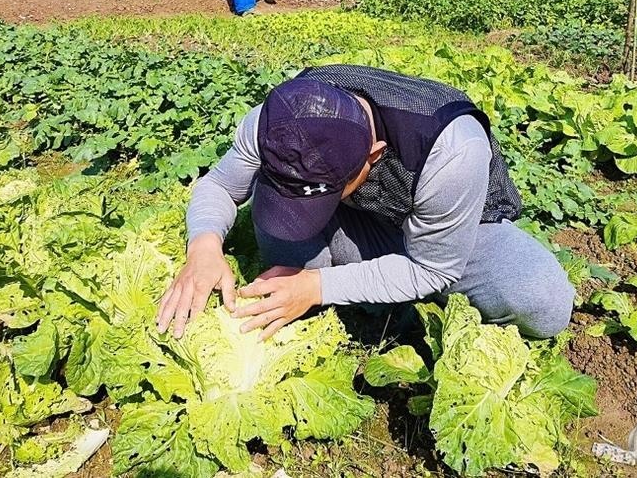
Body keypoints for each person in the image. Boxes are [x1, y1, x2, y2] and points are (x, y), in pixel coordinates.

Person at [156, 64, 575, 341]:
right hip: (355, 222)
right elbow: (221, 187)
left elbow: (434, 265)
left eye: (323, 190)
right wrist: (204, 246)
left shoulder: (453, 148)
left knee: (542, 300)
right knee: (290, 263)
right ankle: (349, 283)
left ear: (373, 155)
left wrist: (318, 286)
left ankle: (356, 284)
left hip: (449, 237)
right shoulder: (280, 117)